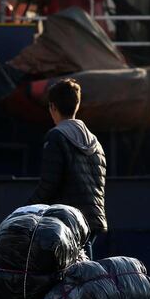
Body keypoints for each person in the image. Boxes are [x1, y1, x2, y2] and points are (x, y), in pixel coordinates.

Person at [29, 79, 107, 259]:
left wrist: (27, 209)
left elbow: (49, 184)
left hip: (68, 218)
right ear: (76, 105)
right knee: (84, 271)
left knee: (71, 273)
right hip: (93, 218)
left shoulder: (56, 137)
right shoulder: (96, 143)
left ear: (52, 107)